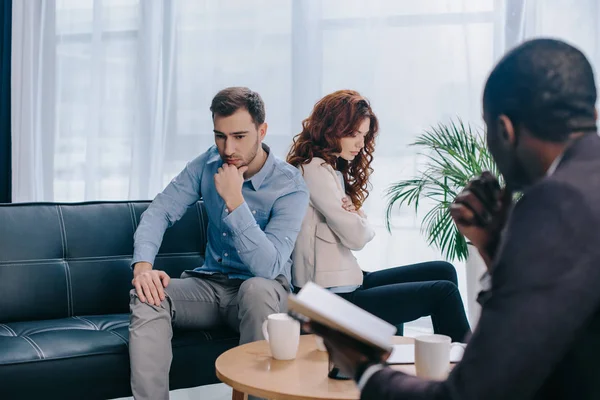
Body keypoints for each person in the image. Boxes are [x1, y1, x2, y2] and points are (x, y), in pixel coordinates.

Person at [310, 38, 600, 400]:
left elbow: (470, 395)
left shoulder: (556, 202)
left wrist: (363, 368)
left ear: (504, 130)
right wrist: (495, 247)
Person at [129, 87, 309, 400]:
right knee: (147, 295)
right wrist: (143, 268)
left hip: (263, 292)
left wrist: (235, 201)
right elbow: (159, 211)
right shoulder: (206, 164)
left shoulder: (290, 186)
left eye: (239, 136)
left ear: (261, 131)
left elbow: (267, 268)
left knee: (256, 288)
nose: (228, 148)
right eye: (220, 136)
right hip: (210, 287)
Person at [287, 90, 470, 342]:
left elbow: (353, 227)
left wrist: (356, 216)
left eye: (363, 135)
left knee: (443, 270)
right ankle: (470, 373)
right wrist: (359, 219)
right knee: (443, 293)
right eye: (353, 134)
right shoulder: (313, 169)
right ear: (331, 129)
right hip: (330, 299)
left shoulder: (330, 169)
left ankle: (446, 361)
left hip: (350, 282)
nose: (360, 144)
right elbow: (357, 237)